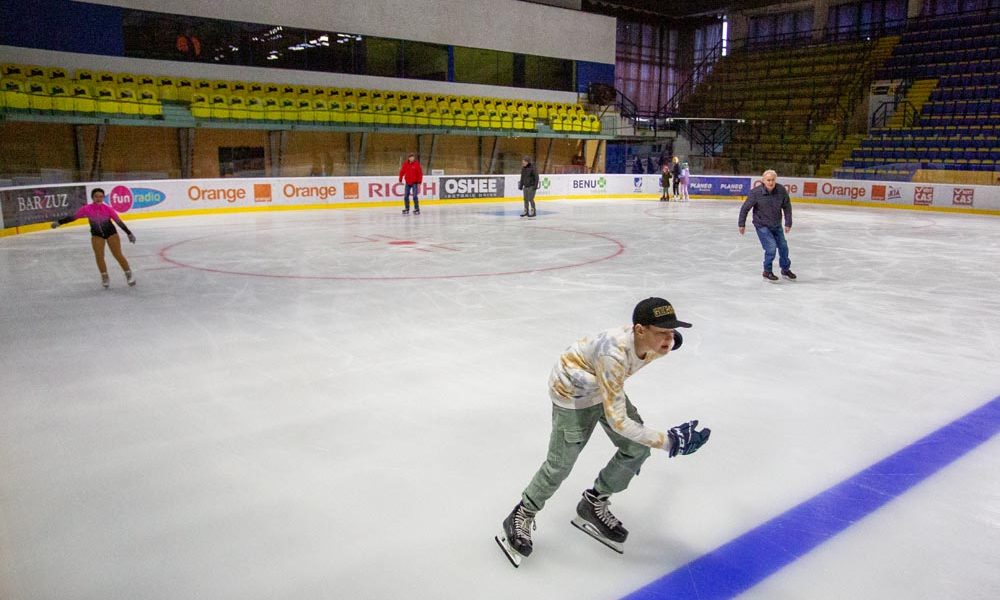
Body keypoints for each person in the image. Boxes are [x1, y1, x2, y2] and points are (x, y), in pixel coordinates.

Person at [496, 298, 711, 567]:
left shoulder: (655, 342)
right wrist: (670, 442)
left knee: (637, 449)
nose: (668, 340)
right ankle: (522, 512)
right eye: (661, 333)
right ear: (640, 330)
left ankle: (593, 502)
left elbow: (667, 342)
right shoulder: (614, 356)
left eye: (671, 332)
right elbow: (619, 422)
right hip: (572, 395)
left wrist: (670, 338)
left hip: (606, 387)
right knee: (560, 465)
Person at [50, 188, 136, 289]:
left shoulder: (108, 209)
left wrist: (129, 233)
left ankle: (128, 273)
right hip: (96, 235)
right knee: (99, 256)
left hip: (111, 234)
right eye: (96, 196)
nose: (98, 199)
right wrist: (59, 222)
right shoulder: (86, 209)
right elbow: (73, 217)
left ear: (103, 197)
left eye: (101, 196)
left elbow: (118, 222)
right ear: (92, 197)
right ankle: (104, 276)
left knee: (117, 254)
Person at [738, 169, 796, 281]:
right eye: (768, 180)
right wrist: (742, 224)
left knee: (783, 247)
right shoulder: (756, 193)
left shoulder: (781, 190)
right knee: (771, 248)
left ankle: (785, 269)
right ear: (763, 180)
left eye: (773, 180)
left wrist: (788, 222)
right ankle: (767, 271)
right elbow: (745, 208)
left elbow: (787, 207)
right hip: (762, 225)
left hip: (776, 224)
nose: (771, 182)